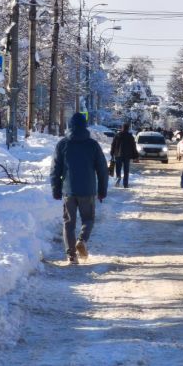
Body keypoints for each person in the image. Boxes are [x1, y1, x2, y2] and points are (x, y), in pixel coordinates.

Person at [50, 112, 109, 264]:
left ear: (70, 126)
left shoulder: (62, 144)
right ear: (85, 126)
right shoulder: (93, 145)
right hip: (88, 190)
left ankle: (71, 256)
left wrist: (55, 189)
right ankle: (82, 240)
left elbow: (55, 169)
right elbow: (102, 169)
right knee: (88, 219)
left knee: (68, 223)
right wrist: (102, 191)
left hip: (68, 190)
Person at [110, 123, 138, 188]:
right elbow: (133, 146)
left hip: (118, 155)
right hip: (127, 156)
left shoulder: (117, 135)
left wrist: (112, 153)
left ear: (122, 128)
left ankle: (117, 181)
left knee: (118, 169)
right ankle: (125, 184)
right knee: (126, 170)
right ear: (128, 128)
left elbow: (113, 145)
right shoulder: (130, 136)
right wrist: (135, 155)